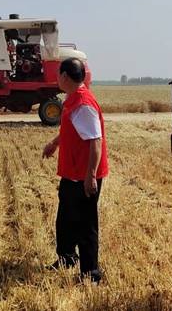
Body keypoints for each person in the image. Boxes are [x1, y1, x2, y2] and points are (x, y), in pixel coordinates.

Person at [42, 57, 109, 283]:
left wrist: (90, 176)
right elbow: (74, 130)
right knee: (66, 220)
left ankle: (91, 274)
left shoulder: (83, 104)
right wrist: (55, 143)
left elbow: (95, 141)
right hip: (72, 174)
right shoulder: (73, 99)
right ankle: (67, 257)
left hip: (83, 177)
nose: (56, 77)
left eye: (58, 73)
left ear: (65, 77)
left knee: (85, 225)